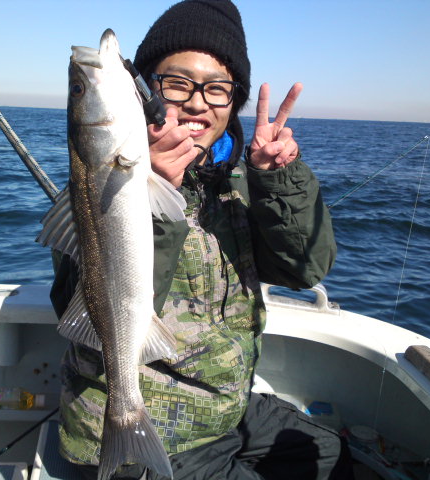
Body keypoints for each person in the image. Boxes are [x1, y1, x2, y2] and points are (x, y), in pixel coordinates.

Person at [50, 0, 352, 478]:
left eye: (217, 89)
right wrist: (154, 194)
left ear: (234, 101)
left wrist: (276, 180)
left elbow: (303, 270)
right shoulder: (93, 192)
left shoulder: (236, 181)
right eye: (177, 82)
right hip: (152, 428)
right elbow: (79, 306)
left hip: (225, 411)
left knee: (330, 455)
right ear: (143, 89)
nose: (196, 103)